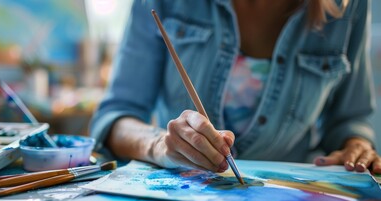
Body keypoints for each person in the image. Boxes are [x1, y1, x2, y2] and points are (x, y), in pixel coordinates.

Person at [90, 0, 381, 174]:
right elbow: (116, 116)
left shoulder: (348, 5)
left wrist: (356, 147)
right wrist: (159, 145)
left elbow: (349, 118)